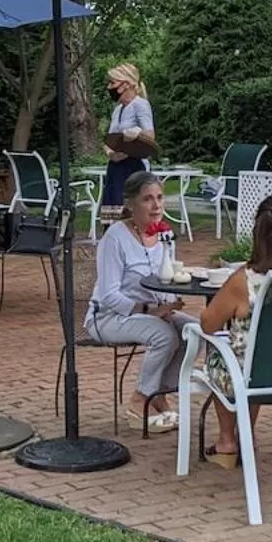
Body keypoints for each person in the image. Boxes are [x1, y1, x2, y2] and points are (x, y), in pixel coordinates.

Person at [197, 194, 272, 468]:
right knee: (254, 360)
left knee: (225, 359)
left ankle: (228, 441)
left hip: (257, 375)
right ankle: (246, 435)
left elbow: (207, 324)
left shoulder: (244, 281)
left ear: (258, 234)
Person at [86, 170, 192, 432]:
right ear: (130, 205)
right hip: (108, 317)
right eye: (147, 199)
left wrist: (169, 303)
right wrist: (150, 310)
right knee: (165, 336)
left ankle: (159, 393)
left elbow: (165, 277)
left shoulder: (163, 235)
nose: (156, 205)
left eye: (159, 197)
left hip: (151, 313)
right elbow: (109, 295)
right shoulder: (115, 238)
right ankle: (139, 399)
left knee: (194, 332)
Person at [101, 63, 155, 217]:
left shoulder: (140, 105)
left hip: (133, 167)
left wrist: (131, 143)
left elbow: (149, 136)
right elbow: (110, 138)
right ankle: (111, 238)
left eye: (113, 83)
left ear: (126, 84)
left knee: (130, 213)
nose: (109, 87)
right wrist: (111, 153)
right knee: (111, 213)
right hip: (115, 166)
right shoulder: (118, 109)